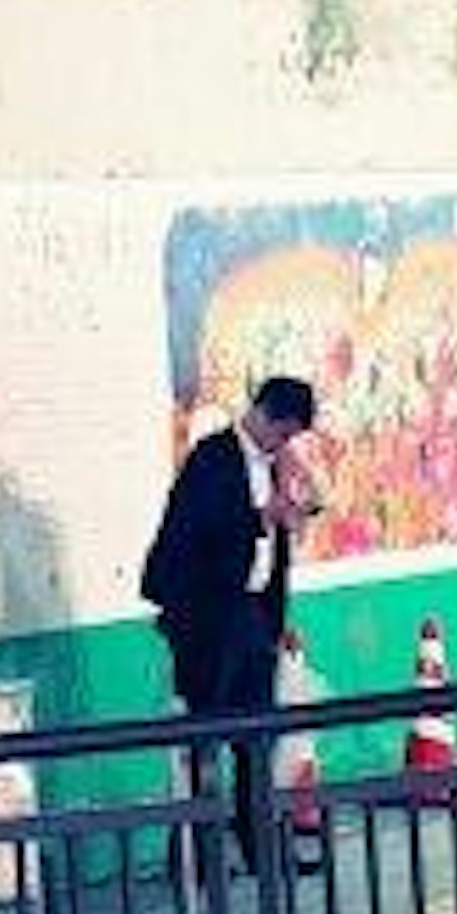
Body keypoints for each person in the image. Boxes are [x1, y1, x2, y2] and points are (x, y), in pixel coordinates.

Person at [139, 367, 315, 858]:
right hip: (208, 614)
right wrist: (264, 517)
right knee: (206, 732)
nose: (285, 443)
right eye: (283, 432)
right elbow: (203, 531)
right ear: (262, 414)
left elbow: (274, 542)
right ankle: (198, 851)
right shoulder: (212, 458)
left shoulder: (279, 465)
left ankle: (259, 845)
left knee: (258, 733)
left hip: (256, 612)